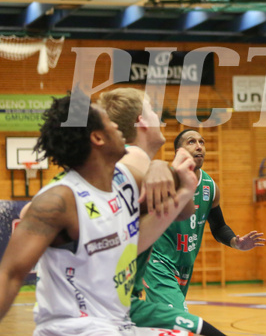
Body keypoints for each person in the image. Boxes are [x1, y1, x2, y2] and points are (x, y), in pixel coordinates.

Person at [0, 92, 198, 335]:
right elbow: (9, 275)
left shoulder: (125, 180)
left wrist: (182, 187)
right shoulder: (60, 200)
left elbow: (142, 236)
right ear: (97, 138)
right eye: (109, 122)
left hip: (116, 323)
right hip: (74, 328)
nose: (118, 127)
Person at [98, 89, 228, 336]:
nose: (159, 116)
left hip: (126, 302)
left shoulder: (139, 165)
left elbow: (182, 212)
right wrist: (161, 169)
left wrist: (175, 178)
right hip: (100, 308)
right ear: (141, 121)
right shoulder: (127, 166)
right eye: (152, 110)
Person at [141, 129, 265, 317]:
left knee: (160, 322)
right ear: (178, 151)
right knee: (180, 321)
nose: (199, 146)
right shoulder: (165, 179)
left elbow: (219, 226)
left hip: (184, 266)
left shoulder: (210, 186)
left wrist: (235, 242)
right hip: (158, 263)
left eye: (202, 142)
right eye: (191, 142)